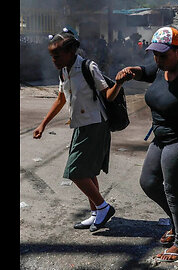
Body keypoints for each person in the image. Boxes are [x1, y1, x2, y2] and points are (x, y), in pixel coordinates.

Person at [115, 27, 178, 262]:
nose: (158, 59)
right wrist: (131, 71)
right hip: (161, 137)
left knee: (172, 189)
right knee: (148, 182)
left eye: (163, 54)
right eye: (155, 54)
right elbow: (145, 71)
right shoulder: (160, 68)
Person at [33, 28, 123, 232]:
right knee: (89, 172)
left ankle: (103, 207)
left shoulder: (88, 66)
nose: (53, 59)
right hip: (81, 125)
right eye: (51, 56)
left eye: (57, 55)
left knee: (74, 171)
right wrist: (43, 124)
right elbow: (60, 99)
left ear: (71, 51)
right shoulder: (64, 70)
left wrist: (119, 83)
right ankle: (95, 214)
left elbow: (107, 95)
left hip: (95, 123)